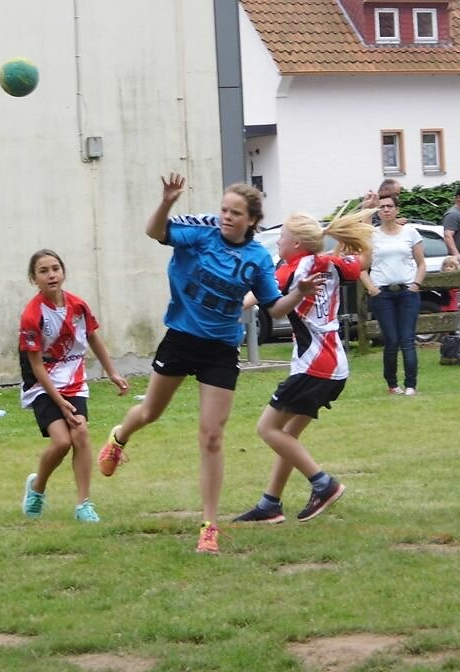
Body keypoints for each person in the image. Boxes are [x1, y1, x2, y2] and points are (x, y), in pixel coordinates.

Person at [96, 173, 324, 554]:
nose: (226, 217)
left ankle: (209, 526)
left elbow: (274, 307)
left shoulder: (256, 259)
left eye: (235, 213)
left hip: (220, 349)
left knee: (213, 436)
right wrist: (167, 201)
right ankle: (119, 437)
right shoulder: (201, 232)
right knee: (151, 411)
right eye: (224, 209)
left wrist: (298, 292)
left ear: (252, 220)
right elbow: (155, 232)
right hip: (182, 337)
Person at [234, 209, 374, 524]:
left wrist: (221, 307)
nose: (278, 241)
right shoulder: (334, 263)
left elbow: (253, 298)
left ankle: (324, 484)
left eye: (281, 237)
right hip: (334, 364)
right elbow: (362, 260)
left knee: (267, 429)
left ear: (296, 242)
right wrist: (362, 228)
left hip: (314, 367)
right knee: (286, 437)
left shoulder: (290, 271)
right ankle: (270, 504)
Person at [19, 249, 130, 523]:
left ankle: (83, 505)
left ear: (63, 272)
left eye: (55, 268)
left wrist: (112, 372)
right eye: (43, 271)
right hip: (43, 386)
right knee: (61, 442)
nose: (51, 274)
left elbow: (93, 338)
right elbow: (35, 366)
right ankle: (37, 488)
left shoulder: (78, 306)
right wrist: (59, 401)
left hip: (74, 383)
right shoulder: (32, 316)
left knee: (80, 436)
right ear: (34, 279)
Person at [359, 193, 427, 395]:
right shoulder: (373, 235)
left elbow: (421, 263)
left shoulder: (410, 232)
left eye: (390, 206)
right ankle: (392, 384)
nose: (386, 210)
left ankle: (411, 385)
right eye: (382, 207)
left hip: (407, 291)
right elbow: (362, 268)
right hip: (383, 294)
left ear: (397, 209)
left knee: (407, 338)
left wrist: (416, 284)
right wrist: (372, 289)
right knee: (391, 339)